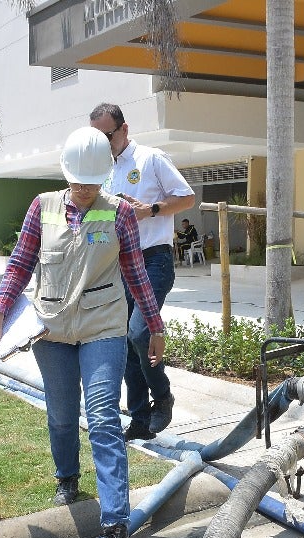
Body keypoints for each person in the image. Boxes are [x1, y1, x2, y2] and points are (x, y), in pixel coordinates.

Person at [0, 127, 166, 538]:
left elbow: (137, 273)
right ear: (66, 175)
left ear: (105, 176)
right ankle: (68, 482)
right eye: (78, 182)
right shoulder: (41, 208)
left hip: (103, 324)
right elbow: (20, 264)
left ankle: (116, 530)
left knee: (103, 416)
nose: (84, 190)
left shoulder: (120, 212)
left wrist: (155, 328)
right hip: (52, 325)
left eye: (92, 182)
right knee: (62, 413)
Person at [89, 103, 195, 440]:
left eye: (106, 135)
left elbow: (187, 197)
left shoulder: (151, 159)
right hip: (119, 264)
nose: (102, 143)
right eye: (96, 137)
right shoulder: (104, 170)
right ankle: (138, 420)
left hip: (154, 260)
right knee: (125, 343)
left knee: (139, 333)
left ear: (124, 129)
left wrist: (151, 210)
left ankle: (162, 397)